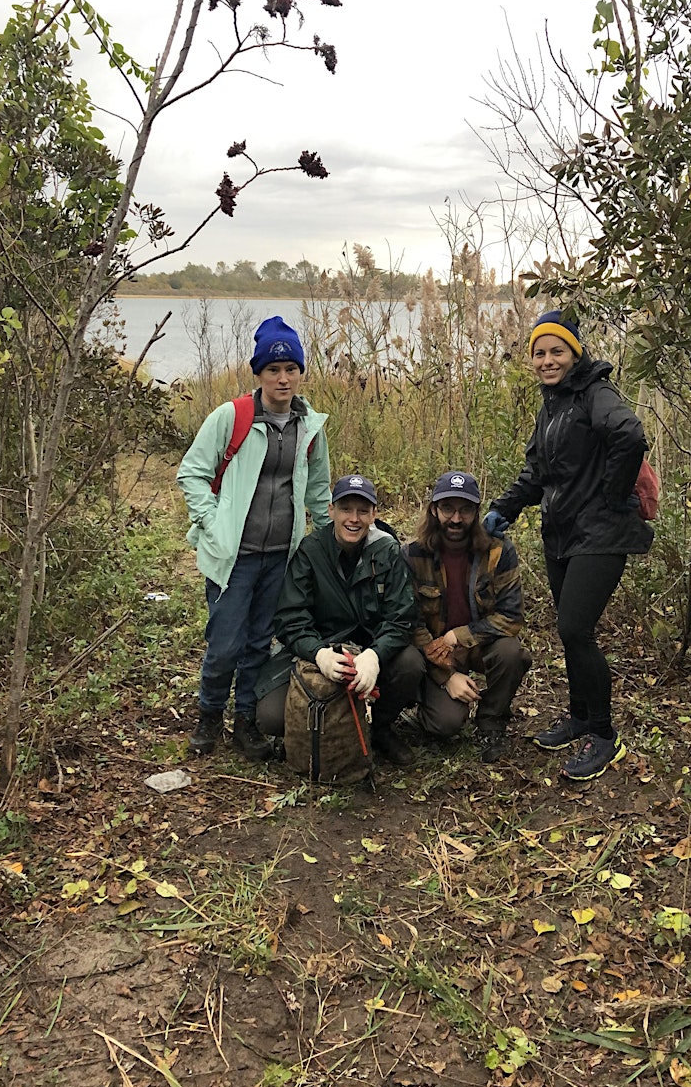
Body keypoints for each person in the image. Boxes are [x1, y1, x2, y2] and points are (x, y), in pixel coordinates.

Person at [483, 310, 653, 781]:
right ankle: (580, 716)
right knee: (569, 630)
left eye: (557, 350)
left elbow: (630, 434)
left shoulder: (595, 393)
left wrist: (613, 496)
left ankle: (604, 735)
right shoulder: (553, 404)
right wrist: (506, 508)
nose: (547, 359)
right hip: (563, 535)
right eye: (539, 352)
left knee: (576, 628)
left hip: (599, 534)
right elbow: (539, 473)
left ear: (574, 353)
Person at [176, 316, 331, 759]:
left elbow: (319, 493)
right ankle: (208, 717)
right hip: (234, 556)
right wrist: (214, 522)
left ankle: (245, 722)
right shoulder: (233, 416)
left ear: (301, 372)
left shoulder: (310, 428)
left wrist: (331, 538)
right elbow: (192, 472)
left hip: (280, 557)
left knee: (259, 643)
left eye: (291, 369)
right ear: (258, 373)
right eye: (273, 370)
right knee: (225, 644)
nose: (283, 379)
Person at [256, 474, 417, 767]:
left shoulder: (388, 550)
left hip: (368, 652)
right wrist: (317, 653)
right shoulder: (311, 550)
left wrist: (375, 656)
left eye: (362, 510)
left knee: (410, 664)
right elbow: (290, 617)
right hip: (321, 652)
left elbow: (402, 617)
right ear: (331, 510)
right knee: (269, 717)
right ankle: (318, 729)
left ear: (374, 515)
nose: (353, 519)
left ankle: (379, 728)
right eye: (346, 509)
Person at [385, 471, 531, 762]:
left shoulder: (498, 551)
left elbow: (511, 617)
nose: (455, 518)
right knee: (446, 724)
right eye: (448, 508)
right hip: (432, 651)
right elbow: (410, 623)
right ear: (434, 510)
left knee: (512, 653)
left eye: (464, 509)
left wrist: (457, 637)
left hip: (475, 644)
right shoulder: (412, 554)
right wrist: (447, 675)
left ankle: (491, 721)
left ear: (476, 512)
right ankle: (423, 702)